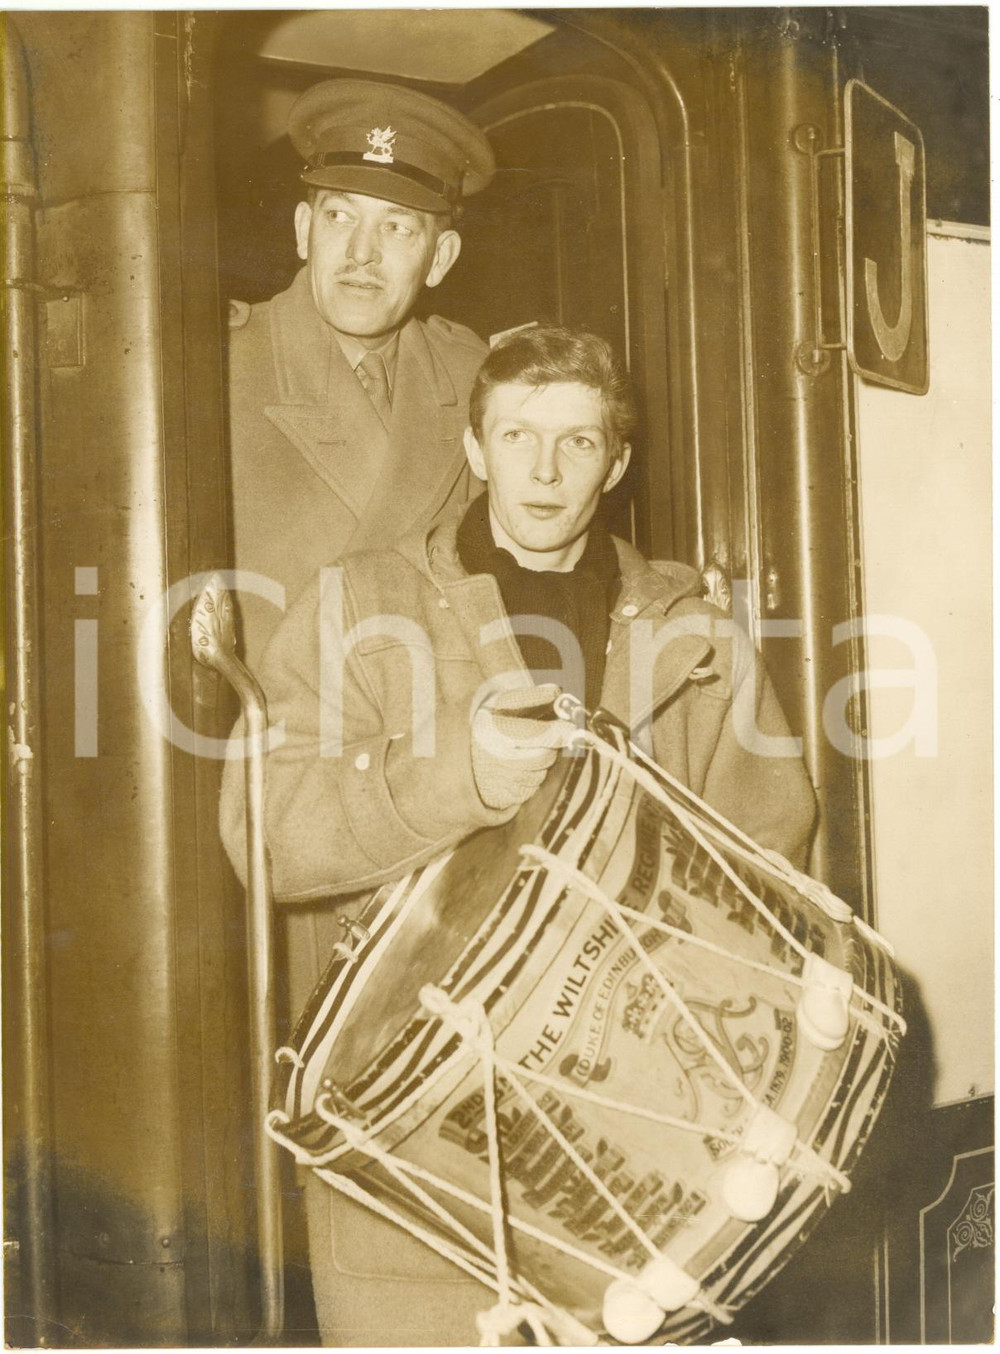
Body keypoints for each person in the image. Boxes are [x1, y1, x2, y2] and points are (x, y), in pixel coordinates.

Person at [221, 327, 816, 1345]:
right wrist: (456, 773)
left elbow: (771, 860)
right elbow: (263, 833)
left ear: (616, 462)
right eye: (517, 435)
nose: (544, 470)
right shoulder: (361, 601)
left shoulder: (691, 628)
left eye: (578, 442)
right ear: (474, 448)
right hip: (424, 1152)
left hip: (642, 1150)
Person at [227, 77, 495, 671]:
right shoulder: (218, 368)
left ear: (440, 258)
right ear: (304, 230)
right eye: (340, 216)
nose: (361, 253)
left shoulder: (478, 382)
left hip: (429, 733)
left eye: (397, 227)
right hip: (271, 737)